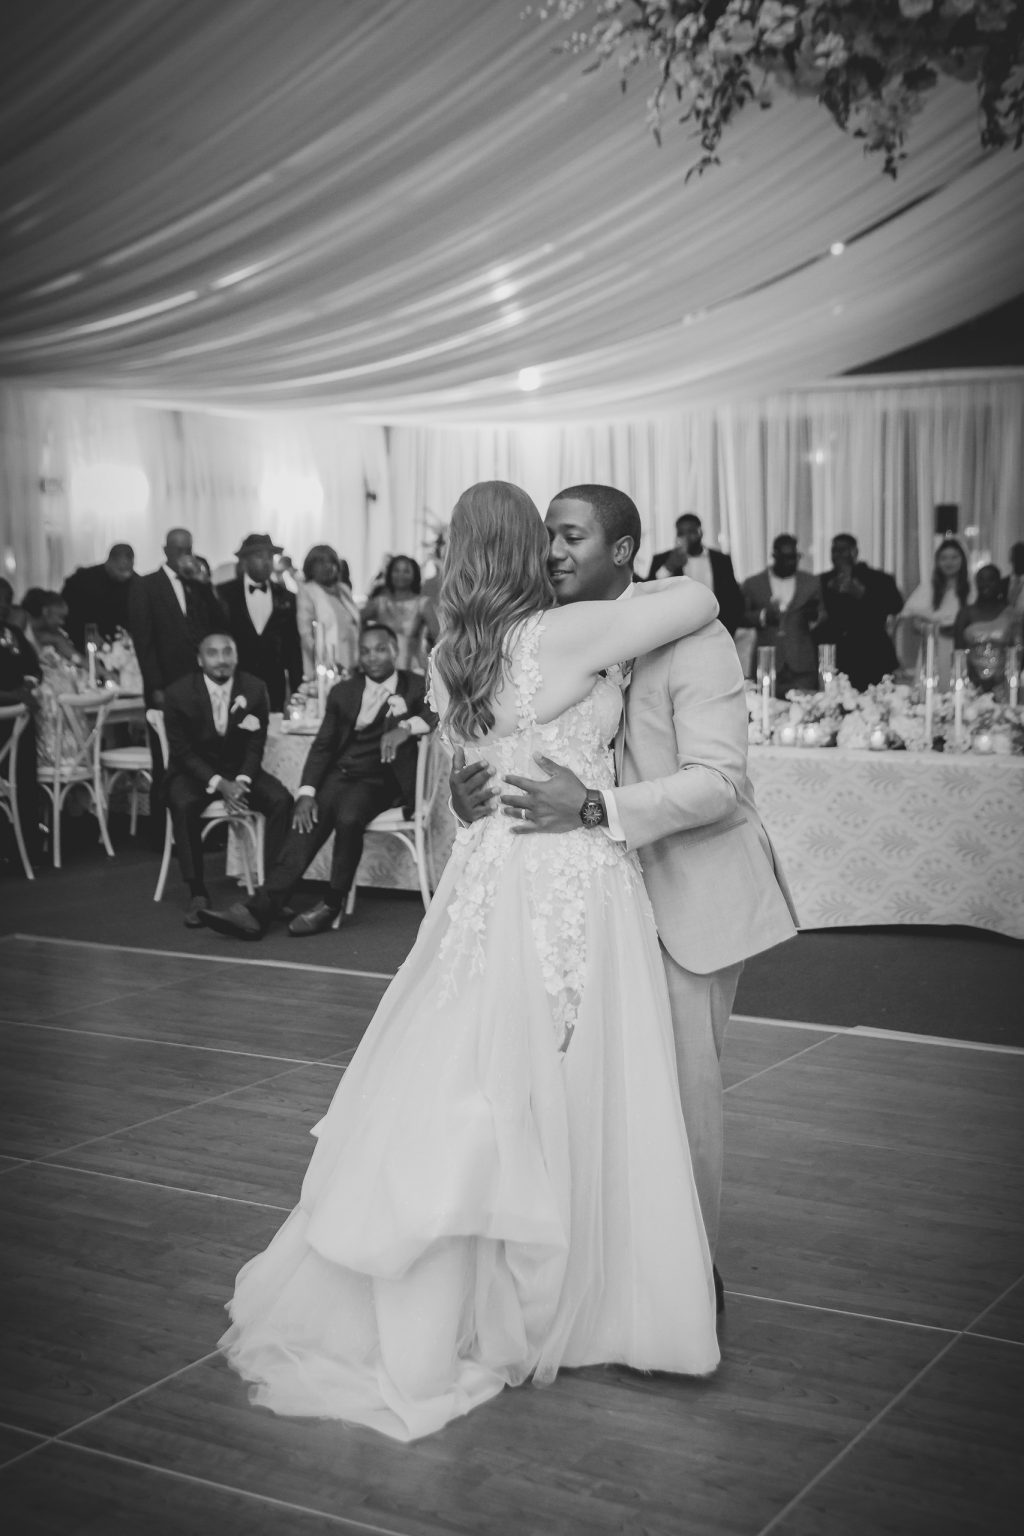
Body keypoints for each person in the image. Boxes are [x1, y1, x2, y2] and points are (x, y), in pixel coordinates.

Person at [217, 482, 722, 1442]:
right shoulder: (562, 637)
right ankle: (565, 1290)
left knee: (488, 1064)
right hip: (568, 871)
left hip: (491, 874)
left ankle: (493, 1265)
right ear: (528, 546)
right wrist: (632, 575)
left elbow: (471, 772)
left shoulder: (456, 653)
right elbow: (696, 602)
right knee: (570, 1073)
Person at [453, 482, 796, 1282]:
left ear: (620, 551)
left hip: (683, 886)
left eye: (571, 537)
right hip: (585, 896)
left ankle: (687, 1276)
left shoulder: (692, 632)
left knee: (678, 1094)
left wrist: (597, 805)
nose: (552, 552)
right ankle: (600, 1269)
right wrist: (463, 791)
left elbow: (720, 782)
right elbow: (499, 741)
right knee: (586, 1088)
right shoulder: (542, 634)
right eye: (547, 536)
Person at [199, 623, 434, 940]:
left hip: (381, 781)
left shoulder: (417, 686)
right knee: (305, 819)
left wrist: (406, 727)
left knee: (349, 816)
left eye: (380, 649)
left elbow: (440, 712)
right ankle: (258, 911)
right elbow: (323, 746)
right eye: (365, 651)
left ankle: (331, 903)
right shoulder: (343, 691)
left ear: (395, 650)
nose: (372, 657)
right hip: (341, 774)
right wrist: (306, 792)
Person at [162, 633, 293, 927]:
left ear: (235, 656)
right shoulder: (178, 693)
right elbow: (181, 751)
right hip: (194, 773)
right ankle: (197, 892)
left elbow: (256, 742)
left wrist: (243, 779)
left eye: (227, 652)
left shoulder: (255, 688)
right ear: (200, 659)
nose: (221, 660)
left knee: (282, 800)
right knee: (182, 803)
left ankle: (272, 893)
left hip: (240, 771)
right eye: (213, 653)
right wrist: (220, 784)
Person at [128, 528, 226, 707]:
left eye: (188, 550)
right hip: (167, 681)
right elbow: (144, 642)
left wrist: (205, 584)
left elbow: (219, 623)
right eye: (179, 550)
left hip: (203, 680)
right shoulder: (146, 586)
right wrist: (155, 687)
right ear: (166, 551)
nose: (184, 556)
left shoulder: (198, 584)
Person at [216, 533, 302, 713]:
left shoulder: (287, 597)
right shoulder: (224, 594)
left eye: (270, 557)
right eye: (259, 556)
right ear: (245, 561)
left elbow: (293, 647)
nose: (267, 562)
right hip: (235, 682)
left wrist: (297, 688)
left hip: (274, 684)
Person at [816, 534, 903, 690]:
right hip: (836, 655)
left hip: (872, 653)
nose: (838, 555)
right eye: (834, 551)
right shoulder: (822, 581)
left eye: (843, 550)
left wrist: (862, 594)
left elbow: (896, 605)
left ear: (855, 552)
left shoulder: (878, 579)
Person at [741, 534, 821, 695]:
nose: (791, 562)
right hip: (767, 663)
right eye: (785, 557)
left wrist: (813, 616)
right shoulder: (753, 584)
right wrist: (763, 616)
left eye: (794, 557)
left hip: (802, 664)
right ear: (774, 555)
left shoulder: (811, 582)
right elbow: (741, 617)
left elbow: (822, 614)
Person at [0, 577, 42, 867]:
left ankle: (25, 848)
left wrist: (27, 687)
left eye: (8, 598)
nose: (4, 605)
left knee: (26, 783)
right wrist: (10, 695)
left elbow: (34, 667)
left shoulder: (14, 633)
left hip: (20, 723)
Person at [647, 513, 744, 634]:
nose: (686, 537)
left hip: (715, 631)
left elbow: (733, 599)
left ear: (701, 532)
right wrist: (669, 567)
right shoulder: (663, 560)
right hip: (677, 634)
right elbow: (649, 594)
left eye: (691, 532)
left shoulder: (721, 560)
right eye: (681, 533)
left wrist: (727, 630)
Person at [361, 554, 438, 672]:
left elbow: (439, 635)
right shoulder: (380, 602)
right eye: (396, 570)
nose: (400, 575)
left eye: (406, 571)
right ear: (390, 574)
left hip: (413, 668)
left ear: (414, 575)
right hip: (382, 667)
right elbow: (356, 620)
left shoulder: (422, 603)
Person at [953, 563, 1022, 695]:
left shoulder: (1012, 614)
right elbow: (958, 653)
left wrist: (1009, 679)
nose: (985, 584)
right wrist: (970, 679)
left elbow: (1019, 652)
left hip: (1005, 684)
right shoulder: (965, 613)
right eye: (981, 580)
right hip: (971, 684)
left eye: (991, 579)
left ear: (999, 582)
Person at [296, 544, 362, 679]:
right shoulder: (308, 591)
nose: (327, 566)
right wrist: (326, 662)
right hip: (327, 667)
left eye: (331, 562)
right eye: (321, 562)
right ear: (310, 567)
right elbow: (306, 634)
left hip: (353, 663)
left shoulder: (343, 590)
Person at [60, 543, 137, 649]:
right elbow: (68, 613)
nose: (126, 574)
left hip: (123, 646)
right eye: (120, 570)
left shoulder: (137, 584)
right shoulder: (83, 580)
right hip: (85, 641)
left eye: (129, 570)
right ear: (110, 562)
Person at [21, 590, 79, 663]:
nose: (62, 623)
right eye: (60, 617)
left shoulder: (58, 634)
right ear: (46, 611)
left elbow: (77, 659)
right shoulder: (23, 627)